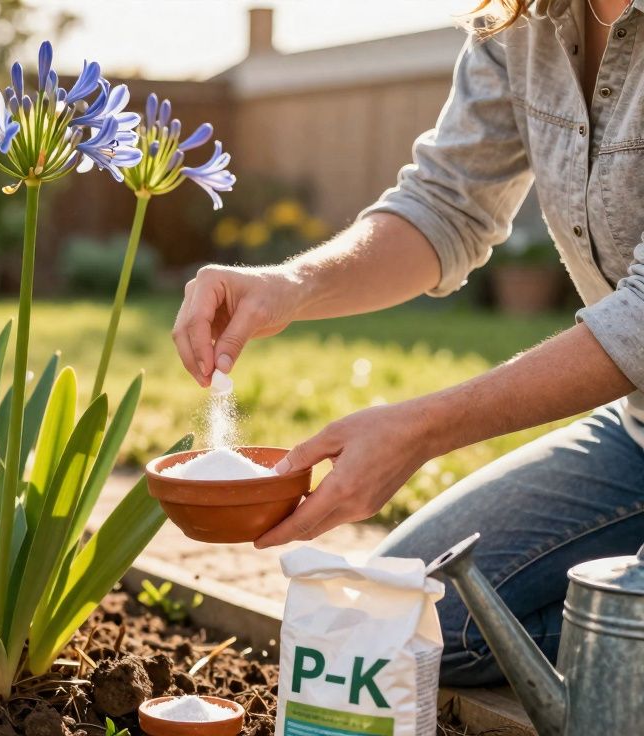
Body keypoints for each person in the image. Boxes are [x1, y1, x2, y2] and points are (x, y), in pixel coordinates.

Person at [171, 0, 644, 687]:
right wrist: (292, 283)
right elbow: (447, 205)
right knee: (413, 620)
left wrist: (421, 429)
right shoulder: (523, 18)